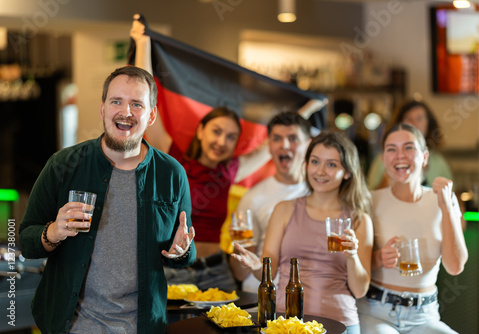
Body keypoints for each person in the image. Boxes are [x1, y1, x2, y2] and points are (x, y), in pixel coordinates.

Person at [130, 15, 327, 291]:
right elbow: (148, 95)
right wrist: (144, 43)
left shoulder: (229, 171)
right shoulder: (174, 159)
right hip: (173, 270)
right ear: (200, 131)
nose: (222, 141)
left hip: (217, 271)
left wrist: (306, 110)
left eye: (231, 136)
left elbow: (273, 141)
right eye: (216, 131)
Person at [18, 66, 196, 334]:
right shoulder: (63, 165)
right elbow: (26, 240)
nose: (126, 112)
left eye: (137, 104)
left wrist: (182, 252)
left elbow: (184, 250)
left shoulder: (171, 173)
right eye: (117, 101)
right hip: (73, 326)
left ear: (151, 115)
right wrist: (54, 231)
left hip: (143, 326)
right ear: (103, 109)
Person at [233, 131, 373, 333]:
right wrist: (257, 265)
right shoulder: (284, 209)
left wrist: (352, 257)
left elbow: (360, 290)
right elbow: (268, 272)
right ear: (306, 165)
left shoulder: (360, 220)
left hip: (340, 323)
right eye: (315, 162)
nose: (321, 171)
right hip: (286, 323)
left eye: (332, 164)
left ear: (348, 172)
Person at [357, 123, 468, 333]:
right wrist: (380, 257)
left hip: (425, 316)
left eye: (409, 148)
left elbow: (455, 267)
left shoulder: (443, 199)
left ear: (425, 157)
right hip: (376, 312)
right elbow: (352, 268)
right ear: (383, 159)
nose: (400, 155)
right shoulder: (369, 201)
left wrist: (446, 207)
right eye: (391, 149)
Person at [229, 111, 312, 293]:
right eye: (277, 138)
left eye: (293, 138)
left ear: (308, 144)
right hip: (261, 297)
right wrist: (238, 246)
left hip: (310, 297)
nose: (284, 145)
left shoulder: (319, 193)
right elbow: (240, 273)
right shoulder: (252, 198)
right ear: (269, 145)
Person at [367, 100, 452, 190]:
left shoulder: (439, 163)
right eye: (408, 119)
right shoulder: (384, 161)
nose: (413, 124)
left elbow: (451, 195)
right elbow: (371, 197)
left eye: (419, 119)